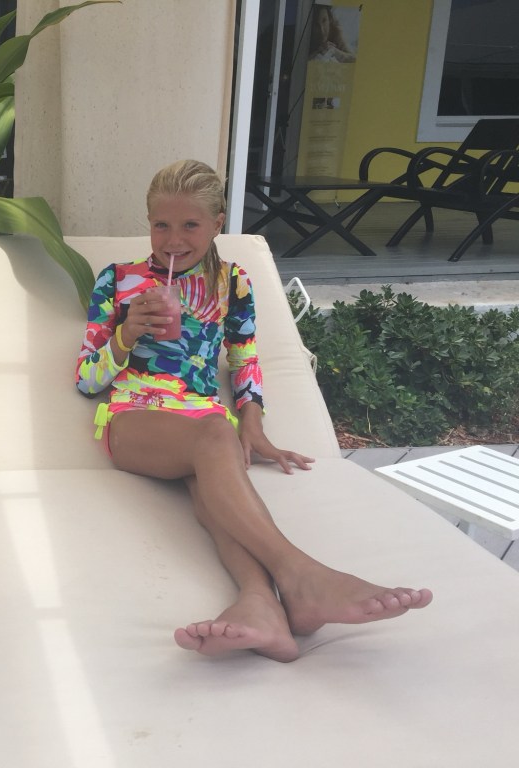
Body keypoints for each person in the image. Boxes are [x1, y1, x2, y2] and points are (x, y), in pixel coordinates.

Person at [75, 160, 431, 662]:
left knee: (215, 470)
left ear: (217, 223)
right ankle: (303, 575)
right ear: (149, 222)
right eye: (161, 225)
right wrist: (126, 333)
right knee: (214, 434)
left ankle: (260, 603)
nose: (173, 240)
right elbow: (86, 379)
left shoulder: (232, 281)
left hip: (201, 422)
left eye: (190, 224)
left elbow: (244, 358)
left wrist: (253, 423)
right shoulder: (119, 279)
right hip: (133, 418)